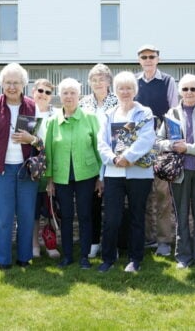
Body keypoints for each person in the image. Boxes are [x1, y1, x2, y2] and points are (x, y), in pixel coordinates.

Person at [0, 63, 41, 270]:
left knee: (26, 215)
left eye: (16, 82)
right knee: (4, 217)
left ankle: (25, 257)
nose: (12, 86)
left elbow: (41, 141)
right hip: (1, 170)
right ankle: (2, 259)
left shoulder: (32, 106)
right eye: (8, 82)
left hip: (26, 169)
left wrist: (30, 138)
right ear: (2, 84)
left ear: (23, 84)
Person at [97, 71, 156, 273]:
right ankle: (108, 258)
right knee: (112, 218)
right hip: (113, 173)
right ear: (115, 91)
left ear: (135, 90)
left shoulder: (145, 113)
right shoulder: (109, 114)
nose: (125, 92)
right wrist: (113, 159)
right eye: (121, 88)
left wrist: (127, 157)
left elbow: (147, 139)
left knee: (137, 217)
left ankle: (135, 259)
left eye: (129, 88)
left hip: (139, 174)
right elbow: (101, 143)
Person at [158, 74, 195, 269]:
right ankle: (183, 256)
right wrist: (173, 145)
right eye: (185, 89)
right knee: (181, 215)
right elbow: (158, 142)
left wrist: (188, 148)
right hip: (179, 173)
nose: (189, 92)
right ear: (180, 91)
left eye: (193, 89)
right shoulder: (171, 114)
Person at [45, 78, 102, 269]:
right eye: (65, 93)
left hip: (86, 174)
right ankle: (67, 255)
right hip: (61, 177)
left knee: (85, 215)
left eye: (72, 93)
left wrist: (100, 177)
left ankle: (84, 256)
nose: (69, 97)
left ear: (79, 95)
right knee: (66, 216)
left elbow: (98, 148)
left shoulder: (90, 118)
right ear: (59, 96)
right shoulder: (53, 121)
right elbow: (49, 151)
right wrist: (50, 179)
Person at [134, 44, 178, 258]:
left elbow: (173, 113)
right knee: (140, 194)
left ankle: (163, 241)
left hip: (161, 146)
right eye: (144, 57)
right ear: (139, 60)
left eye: (152, 56)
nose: (148, 60)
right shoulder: (133, 82)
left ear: (158, 59)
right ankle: (144, 238)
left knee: (163, 195)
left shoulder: (168, 81)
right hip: (138, 147)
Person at [79, 63, 118, 259]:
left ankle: (113, 245)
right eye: (94, 80)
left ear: (109, 81)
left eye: (101, 79)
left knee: (113, 206)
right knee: (92, 204)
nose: (98, 83)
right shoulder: (83, 103)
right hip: (90, 160)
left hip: (113, 159)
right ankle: (94, 243)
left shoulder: (118, 101)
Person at [30, 78, 59, 260]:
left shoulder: (56, 114)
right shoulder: (27, 112)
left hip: (52, 164)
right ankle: (33, 245)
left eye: (48, 92)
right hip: (31, 166)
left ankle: (51, 244)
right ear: (33, 91)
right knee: (31, 210)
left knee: (51, 209)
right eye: (40, 91)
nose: (43, 95)